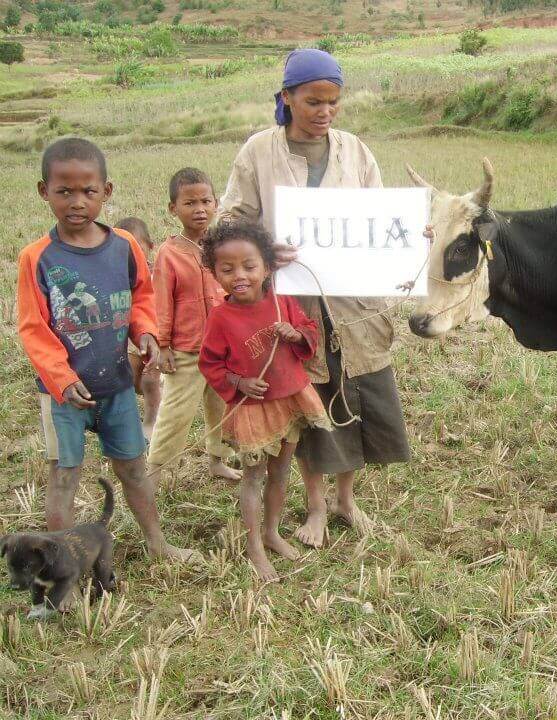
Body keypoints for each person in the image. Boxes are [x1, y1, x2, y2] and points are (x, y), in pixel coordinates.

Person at [219, 48, 431, 546]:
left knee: (355, 391)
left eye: (333, 103)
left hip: (354, 305)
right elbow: (230, 219)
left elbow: (380, 221)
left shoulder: (356, 151)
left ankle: (346, 501)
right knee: (310, 399)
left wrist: (409, 237)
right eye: (314, 101)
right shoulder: (259, 152)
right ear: (287, 98)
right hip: (293, 306)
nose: (324, 112)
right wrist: (266, 246)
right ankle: (315, 508)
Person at [17, 137, 196, 564]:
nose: (76, 201)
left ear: (106, 192)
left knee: (133, 468)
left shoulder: (124, 246)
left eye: (88, 191)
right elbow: (32, 328)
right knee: (64, 477)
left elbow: (140, 299)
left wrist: (146, 334)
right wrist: (63, 379)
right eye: (64, 191)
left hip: (116, 385)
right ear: (45, 192)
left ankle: (158, 544)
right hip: (63, 395)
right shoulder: (36, 258)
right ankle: (61, 570)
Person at [198, 220, 331, 582]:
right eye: (226, 269)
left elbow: (310, 330)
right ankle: (254, 545)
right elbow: (209, 363)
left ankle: (272, 532)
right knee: (253, 477)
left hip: (289, 399)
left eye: (249, 266)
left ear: (268, 267)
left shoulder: (281, 300)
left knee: (282, 471)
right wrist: (239, 381)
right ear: (215, 273)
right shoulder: (221, 317)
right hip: (254, 410)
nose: (238, 275)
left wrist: (297, 333)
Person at [145, 168, 239, 484]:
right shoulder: (169, 254)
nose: (199, 209)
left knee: (222, 408)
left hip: (222, 349)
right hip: (186, 351)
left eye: (205, 201)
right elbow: (162, 302)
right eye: (189, 203)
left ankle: (218, 461)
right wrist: (163, 345)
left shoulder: (221, 247)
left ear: (216, 204)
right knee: (175, 413)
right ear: (173, 208)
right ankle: (157, 472)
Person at [115, 216, 162, 442]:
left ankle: (152, 420)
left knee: (151, 379)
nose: (131, 254)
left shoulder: (158, 275)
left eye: (137, 247)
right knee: (124, 378)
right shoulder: (115, 279)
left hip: (156, 341)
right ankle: (127, 424)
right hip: (131, 343)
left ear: (150, 247)